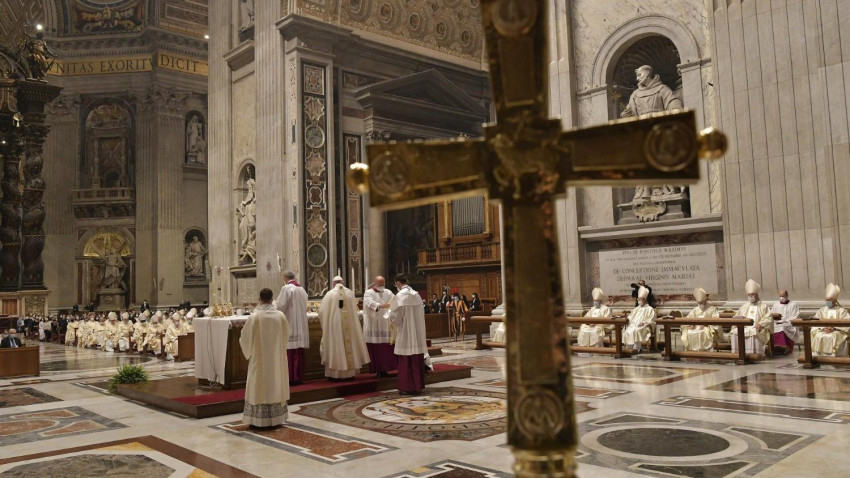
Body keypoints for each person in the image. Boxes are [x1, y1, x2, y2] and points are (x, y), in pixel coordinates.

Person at [239, 288, 290, 428]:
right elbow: (286, 335)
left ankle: (259, 420)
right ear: (272, 299)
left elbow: (245, 338)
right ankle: (277, 418)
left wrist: (247, 349)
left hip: (259, 359)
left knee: (258, 385)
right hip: (276, 359)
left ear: (259, 300)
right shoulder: (280, 316)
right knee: (276, 382)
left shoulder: (255, 317)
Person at [318, 276, 370, 380]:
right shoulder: (350, 293)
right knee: (350, 344)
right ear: (343, 282)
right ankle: (349, 374)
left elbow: (321, 312)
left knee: (336, 346)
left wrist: (326, 324)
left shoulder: (330, 294)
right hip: (350, 324)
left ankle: (335, 375)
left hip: (334, 325)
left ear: (333, 283)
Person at [388, 274, 428, 395]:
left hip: (405, 331)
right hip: (417, 332)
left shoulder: (399, 296)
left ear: (398, 283)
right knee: (416, 358)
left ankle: (408, 387)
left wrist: (389, 315)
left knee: (406, 359)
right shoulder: (416, 295)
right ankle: (417, 385)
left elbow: (395, 317)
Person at [276, 271, 309, 385]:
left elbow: (280, 306)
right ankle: (299, 376)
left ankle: (291, 377)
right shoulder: (302, 289)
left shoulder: (286, 288)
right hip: (301, 323)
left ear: (285, 278)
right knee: (298, 349)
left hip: (290, 322)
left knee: (290, 349)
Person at [363, 276, 397, 378]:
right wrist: (380, 305)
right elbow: (368, 302)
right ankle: (378, 370)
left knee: (386, 348)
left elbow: (394, 300)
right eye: (380, 284)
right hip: (374, 325)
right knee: (376, 348)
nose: (382, 286)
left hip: (386, 324)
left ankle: (386, 369)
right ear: (375, 283)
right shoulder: (368, 292)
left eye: (383, 284)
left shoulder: (388, 292)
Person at [730, 279, 772, 355]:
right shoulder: (744, 306)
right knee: (734, 331)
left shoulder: (763, 306)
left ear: (757, 295)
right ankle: (738, 354)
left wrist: (760, 324)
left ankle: (755, 354)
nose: (750, 296)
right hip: (744, 327)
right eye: (749, 295)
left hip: (757, 327)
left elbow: (768, 318)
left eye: (752, 295)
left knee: (754, 332)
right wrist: (736, 323)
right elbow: (738, 316)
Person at [811, 283, 850, 357]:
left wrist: (834, 328)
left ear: (835, 300)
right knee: (818, 336)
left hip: (837, 331)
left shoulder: (842, 311)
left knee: (832, 337)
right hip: (823, 330)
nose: (827, 302)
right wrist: (823, 328)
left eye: (829, 300)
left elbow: (847, 323)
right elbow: (815, 321)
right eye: (826, 300)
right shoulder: (821, 311)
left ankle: (833, 358)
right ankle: (818, 358)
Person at [624, 286, 655, 353]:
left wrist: (644, 322)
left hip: (644, 326)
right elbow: (631, 316)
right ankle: (629, 348)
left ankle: (637, 348)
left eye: (640, 299)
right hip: (634, 324)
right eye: (638, 299)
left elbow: (652, 319)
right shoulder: (636, 309)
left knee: (636, 330)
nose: (639, 301)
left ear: (644, 300)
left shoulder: (650, 309)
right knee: (627, 331)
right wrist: (627, 319)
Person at [770, 290, 800, 355]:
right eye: (780, 296)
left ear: (787, 295)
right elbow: (771, 315)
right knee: (772, 327)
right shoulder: (776, 305)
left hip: (788, 323)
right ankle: (774, 348)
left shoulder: (793, 305)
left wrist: (784, 321)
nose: (781, 298)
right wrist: (777, 320)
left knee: (782, 327)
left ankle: (784, 348)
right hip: (777, 323)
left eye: (783, 296)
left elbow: (795, 316)